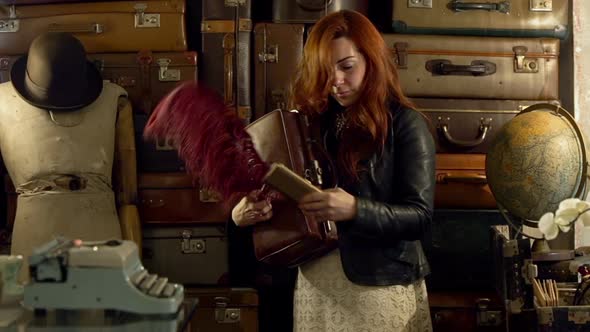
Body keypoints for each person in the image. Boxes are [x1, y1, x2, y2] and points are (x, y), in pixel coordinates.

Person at [231, 9, 436, 332]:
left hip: (377, 287)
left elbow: (420, 217)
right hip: (314, 282)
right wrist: (246, 213)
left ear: (373, 60)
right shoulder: (310, 121)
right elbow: (287, 199)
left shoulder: (406, 124)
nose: (336, 81)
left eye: (347, 67)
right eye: (326, 71)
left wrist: (355, 209)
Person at [1, 32, 139, 281]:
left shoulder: (114, 100)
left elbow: (128, 197)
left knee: (97, 313)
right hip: (34, 230)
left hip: (97, 226)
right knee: (37, 314)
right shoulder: (2, 101)